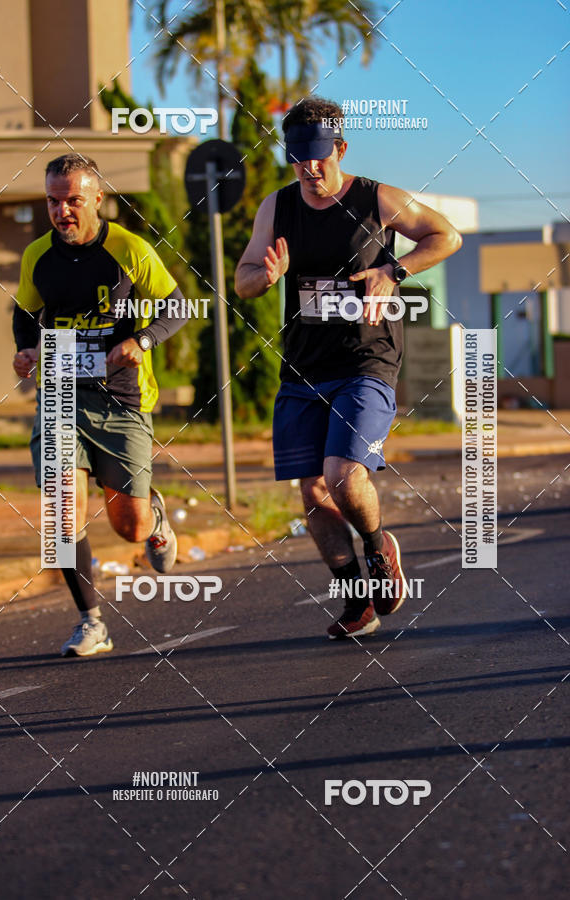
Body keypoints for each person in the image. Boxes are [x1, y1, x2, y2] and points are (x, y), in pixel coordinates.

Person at [235, 97, 462, 639]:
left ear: (340, 148)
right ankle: (356, 599)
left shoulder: (376, 198)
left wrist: (395, 269)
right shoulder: (278, 207)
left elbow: (446, 236)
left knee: (342, 474)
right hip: (304, 366)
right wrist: (264, 278)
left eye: (318, 155)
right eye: (297, 158)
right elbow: (243, 278)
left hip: (368, 360)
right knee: (311, 491)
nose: (309, 168)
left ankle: (379, 545)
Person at [13, 153, 188, 657]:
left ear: (97, 199)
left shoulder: (129, 249)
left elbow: (176, 306)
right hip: (60, 393)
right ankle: (91, 622)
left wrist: (145, 341)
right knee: (61, 515)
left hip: (122, 400)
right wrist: (26, 349)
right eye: (52, 200)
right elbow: (27, 315)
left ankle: (152, 519)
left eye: (72, 200)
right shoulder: (37, 257)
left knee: (127, 527)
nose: (61, 211)